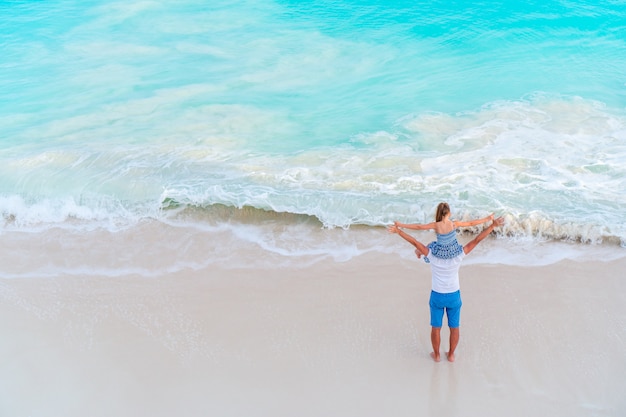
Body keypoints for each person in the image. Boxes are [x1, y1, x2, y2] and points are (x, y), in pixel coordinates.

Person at [388, 215, 504, 362]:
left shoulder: (432, 254)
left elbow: (415, 242)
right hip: (454, 296)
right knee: (454, 327)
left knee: (436, 327)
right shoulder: (459, 254)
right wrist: (492, 225)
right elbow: (477, 240)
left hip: (437, 296)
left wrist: (399, 231)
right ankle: (451, 355)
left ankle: (436, 355)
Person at [393, 202, 494, 262]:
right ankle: (418, 252)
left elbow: (418, 226)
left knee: (431, 245)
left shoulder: (436, 225)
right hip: (453, 251)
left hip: (441, 253)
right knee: (432, 244)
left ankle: (418, 252)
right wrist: (487, 219)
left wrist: (401, 225)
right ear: (449, 213)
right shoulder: (454, 224)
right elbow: (471, 223)